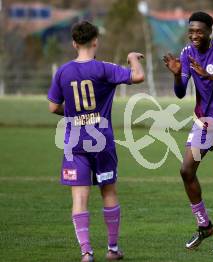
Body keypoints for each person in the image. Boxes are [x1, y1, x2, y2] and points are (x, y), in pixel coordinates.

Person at [48, 21, 144, 262]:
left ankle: (86, 253)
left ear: (73, 43)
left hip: (74, 142)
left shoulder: (63, 72)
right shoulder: (104, 69)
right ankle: (112, 249)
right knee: (108, 191)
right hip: (101, 141)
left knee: (79, 198)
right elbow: (138, 76)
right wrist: (133, 57)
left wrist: (71, 113)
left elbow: (52, 107)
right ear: (95, 41)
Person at [163, 11, 213, 252]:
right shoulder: (187, 52)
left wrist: (211, 76)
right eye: (191, 32)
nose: (194, 36)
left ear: (210, 31)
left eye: (199, 31)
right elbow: (180, 93)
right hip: (204, 122)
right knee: (186, 170)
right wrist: (178, 74)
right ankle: (205, 226)